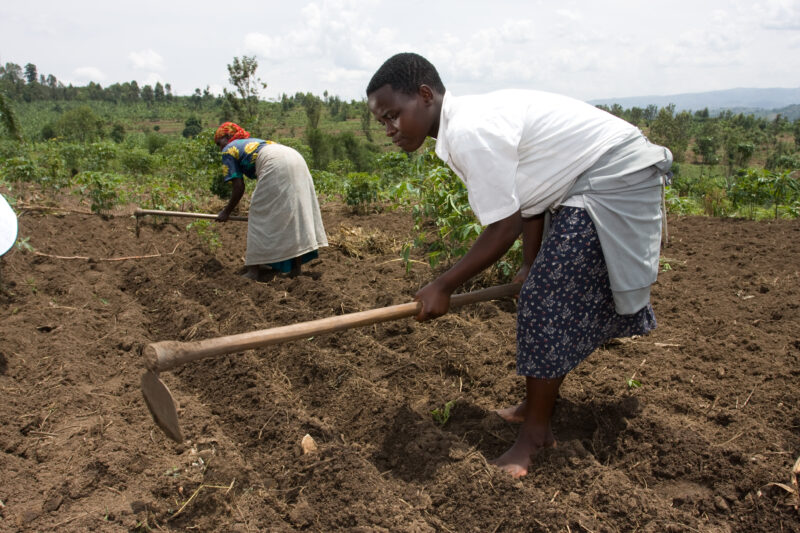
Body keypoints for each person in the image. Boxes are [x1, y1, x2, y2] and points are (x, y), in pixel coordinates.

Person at [366, 53, 672, 478]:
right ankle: (536, 405)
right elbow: (527, 199)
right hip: (580, 183)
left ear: (425, 96)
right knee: (542, 288)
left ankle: (535, 435)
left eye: (393, 115)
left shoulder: (470, 130)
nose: (390, 129)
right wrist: (531, 263)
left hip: (613, 175)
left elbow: (504, 224)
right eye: (383, 122)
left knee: (546, 299)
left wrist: (443, 285)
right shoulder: (460, 128)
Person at [213, 122, 328, 279]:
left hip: (276, 162)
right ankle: (295, 269)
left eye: (219, 143)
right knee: (292, 213)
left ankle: (254, 270)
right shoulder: (252, 142)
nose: (220, 148)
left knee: (258, 213)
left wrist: (226, 211)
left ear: (227, 137)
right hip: (295, 157)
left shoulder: (229, 149)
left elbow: (238, 187)